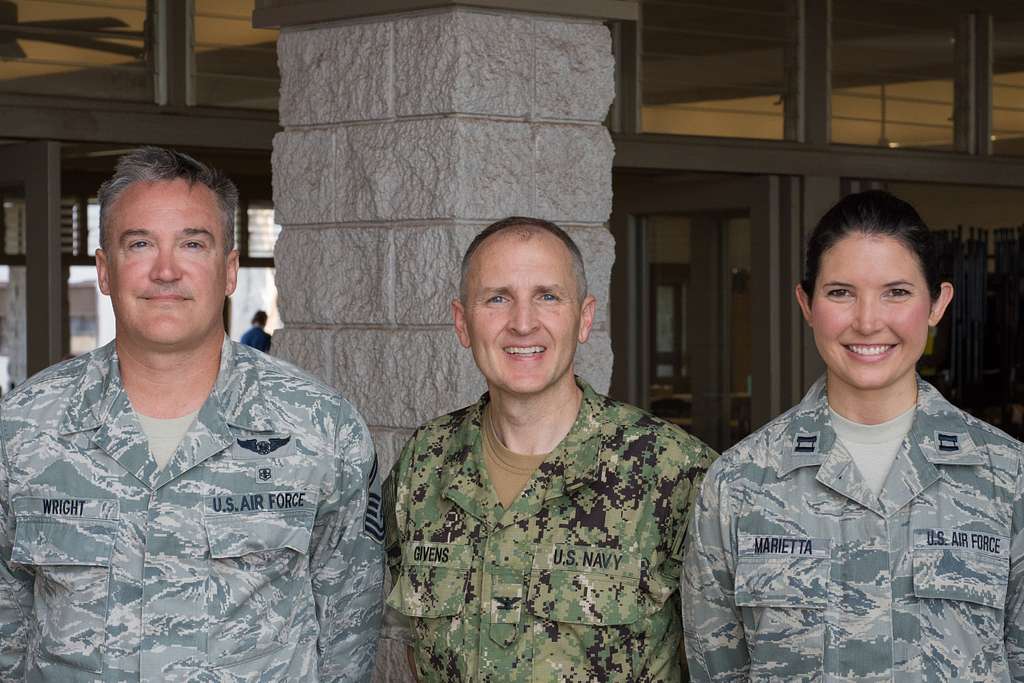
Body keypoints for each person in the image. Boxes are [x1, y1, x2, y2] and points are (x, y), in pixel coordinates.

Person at [0, 147, 383, 681]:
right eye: (139, 244)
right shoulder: (24, 428)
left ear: (229, 271)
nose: (165, 270)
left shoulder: (320, 428)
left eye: (192, 244)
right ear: (105, 271)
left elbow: (349, 633)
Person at [683, 190, 1024, 681]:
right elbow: (717, 669)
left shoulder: (1006, 478)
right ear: (806, 303)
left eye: (897, 292)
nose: (867, 321)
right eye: (840, 292)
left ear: (937, 303)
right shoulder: (738, 484)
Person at [383, 216, 715, 681]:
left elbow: (724, 657)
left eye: (548, 297)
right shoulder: (424, 464)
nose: (522, 323)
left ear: (584, 318)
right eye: (497, 298)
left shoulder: (674, 472)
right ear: (462, 322)